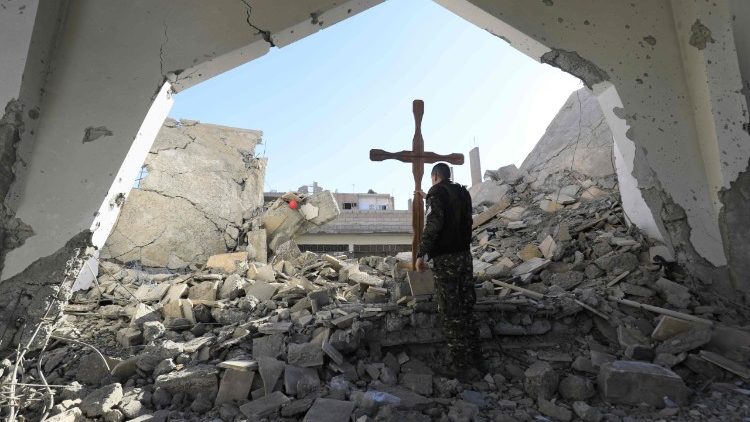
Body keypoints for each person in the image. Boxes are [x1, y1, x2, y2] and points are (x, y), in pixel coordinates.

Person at [416, 162, 484, 378]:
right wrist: (428, 197)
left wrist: (421, 254)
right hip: (465, 257)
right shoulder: (463, 193)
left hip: (446, 261)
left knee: (450, 312)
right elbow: (457, 216)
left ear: (435, 176)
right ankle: (478, 361)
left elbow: (434, 225)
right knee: (467, 308)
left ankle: (461, 366)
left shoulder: (437, 193)